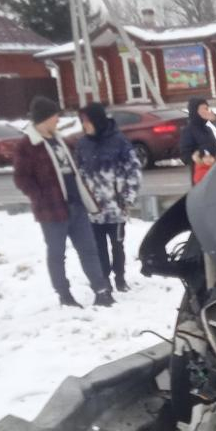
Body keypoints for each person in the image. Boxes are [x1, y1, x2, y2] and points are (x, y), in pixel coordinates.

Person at [13, 96, 113, 308]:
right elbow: (21, 178)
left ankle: (101, 290)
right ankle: (64, 295)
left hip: (76, 205)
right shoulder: (27, 145)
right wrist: (41, 196)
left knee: (89, 249)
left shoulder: (60, 140)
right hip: (51, 211)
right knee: (57, 254)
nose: (58, 119)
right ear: (45, 118)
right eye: (55, 115)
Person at [74, 102, 140, 293]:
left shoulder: (119, 141)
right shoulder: (82, 144)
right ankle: (105, 279)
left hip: (116, 207)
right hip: (94, 209)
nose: (84, 125)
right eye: (82, 121)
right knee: (98, 248)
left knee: (117, 246)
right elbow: (78, 174)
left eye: (86, 121)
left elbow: (133, 171)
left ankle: (120, 277)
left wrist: (128, 198)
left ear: (97, 120)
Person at [179, 97, 216, 184]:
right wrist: (200, 158)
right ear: (195, 111)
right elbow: (185, 154)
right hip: (200, 175)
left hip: (214, 173)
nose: (206, 112)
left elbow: (215, 147)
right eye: (203, 110)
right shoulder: (188, 130)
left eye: (207, 109)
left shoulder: (207, 129)